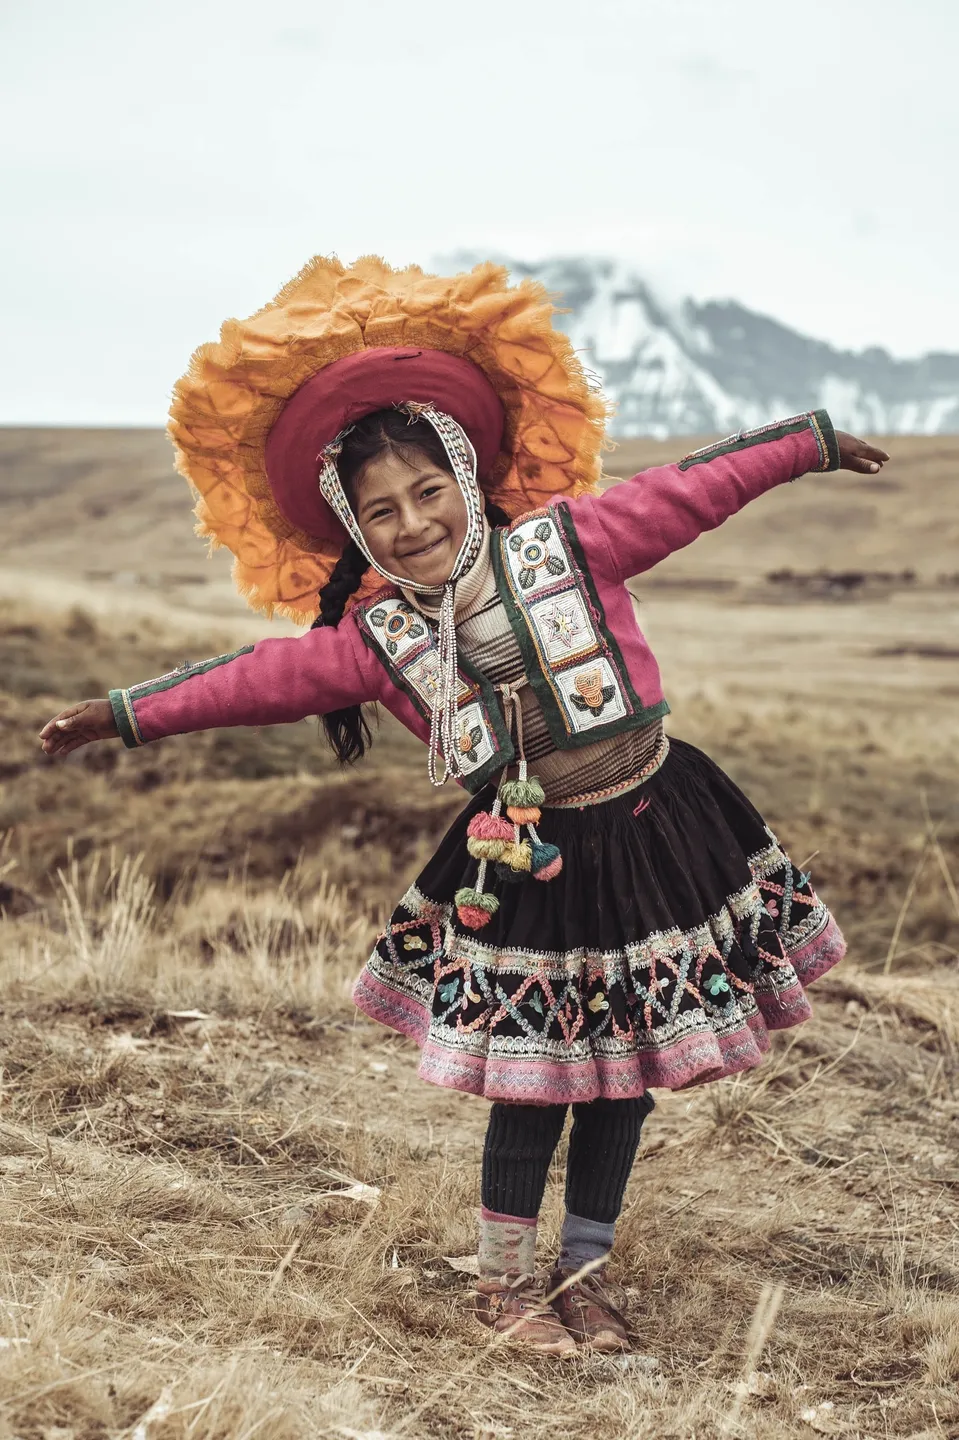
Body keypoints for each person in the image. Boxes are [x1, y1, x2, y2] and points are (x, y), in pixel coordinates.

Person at [39, 256, 889, 1356]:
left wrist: (807, 444)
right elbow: (248, 680)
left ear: (464, 476)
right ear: (353, 528)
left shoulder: (574, 544)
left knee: (624, 1075)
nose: (410, 525)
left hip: (653, 827)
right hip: (525, 864)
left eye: (427, 492)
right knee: (537, 1084)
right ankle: (503, 1289)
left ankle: (582, 1274)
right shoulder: (375, 640)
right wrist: (122, 714)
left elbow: (691, 487)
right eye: (378, 512)